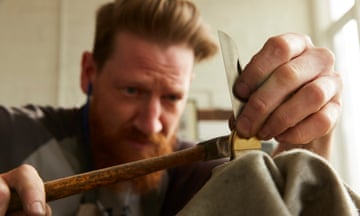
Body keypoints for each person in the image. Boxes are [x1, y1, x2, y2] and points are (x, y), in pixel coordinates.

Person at [0, 0, 342, 215]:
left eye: (172, 98)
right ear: (89, 73)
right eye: (132, 90)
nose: (151, 125)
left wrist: (303, 170)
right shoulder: (11, 133)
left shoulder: (202, 179)